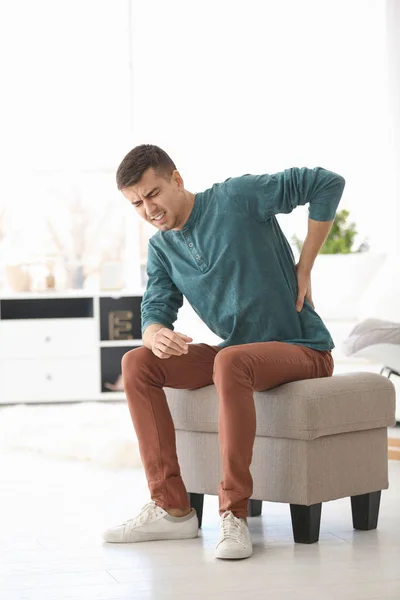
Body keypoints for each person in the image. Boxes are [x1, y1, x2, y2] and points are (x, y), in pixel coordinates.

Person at [103, 144, 345, 560]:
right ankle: (172, 508)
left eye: (153, 194)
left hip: (303, 348)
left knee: (229, 359)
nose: (148, 209)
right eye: (137, 203)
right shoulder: (162, 249)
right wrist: (155, 333)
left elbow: (326, 183)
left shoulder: (237, 197)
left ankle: (233, 515)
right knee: (137, 363)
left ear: (176, 180)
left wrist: (305, 266)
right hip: (239, 356)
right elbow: (155, 308)